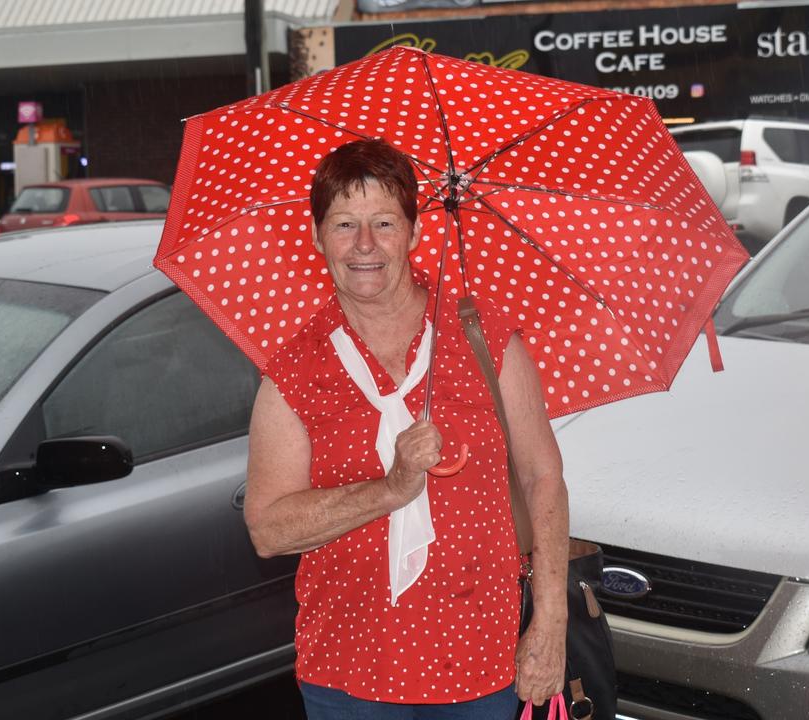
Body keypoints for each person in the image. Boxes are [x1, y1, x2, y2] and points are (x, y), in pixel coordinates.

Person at [244, 138, 570, 719]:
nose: (364, 245)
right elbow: (269, 529)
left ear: (416, 234)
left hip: (481, 660)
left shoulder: (487, 340)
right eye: (344, 224)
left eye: (384, 223)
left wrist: (549, 625)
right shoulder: (294, 371)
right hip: (348, 669)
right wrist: (389, 490)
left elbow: (543, 477)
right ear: (318, 238)